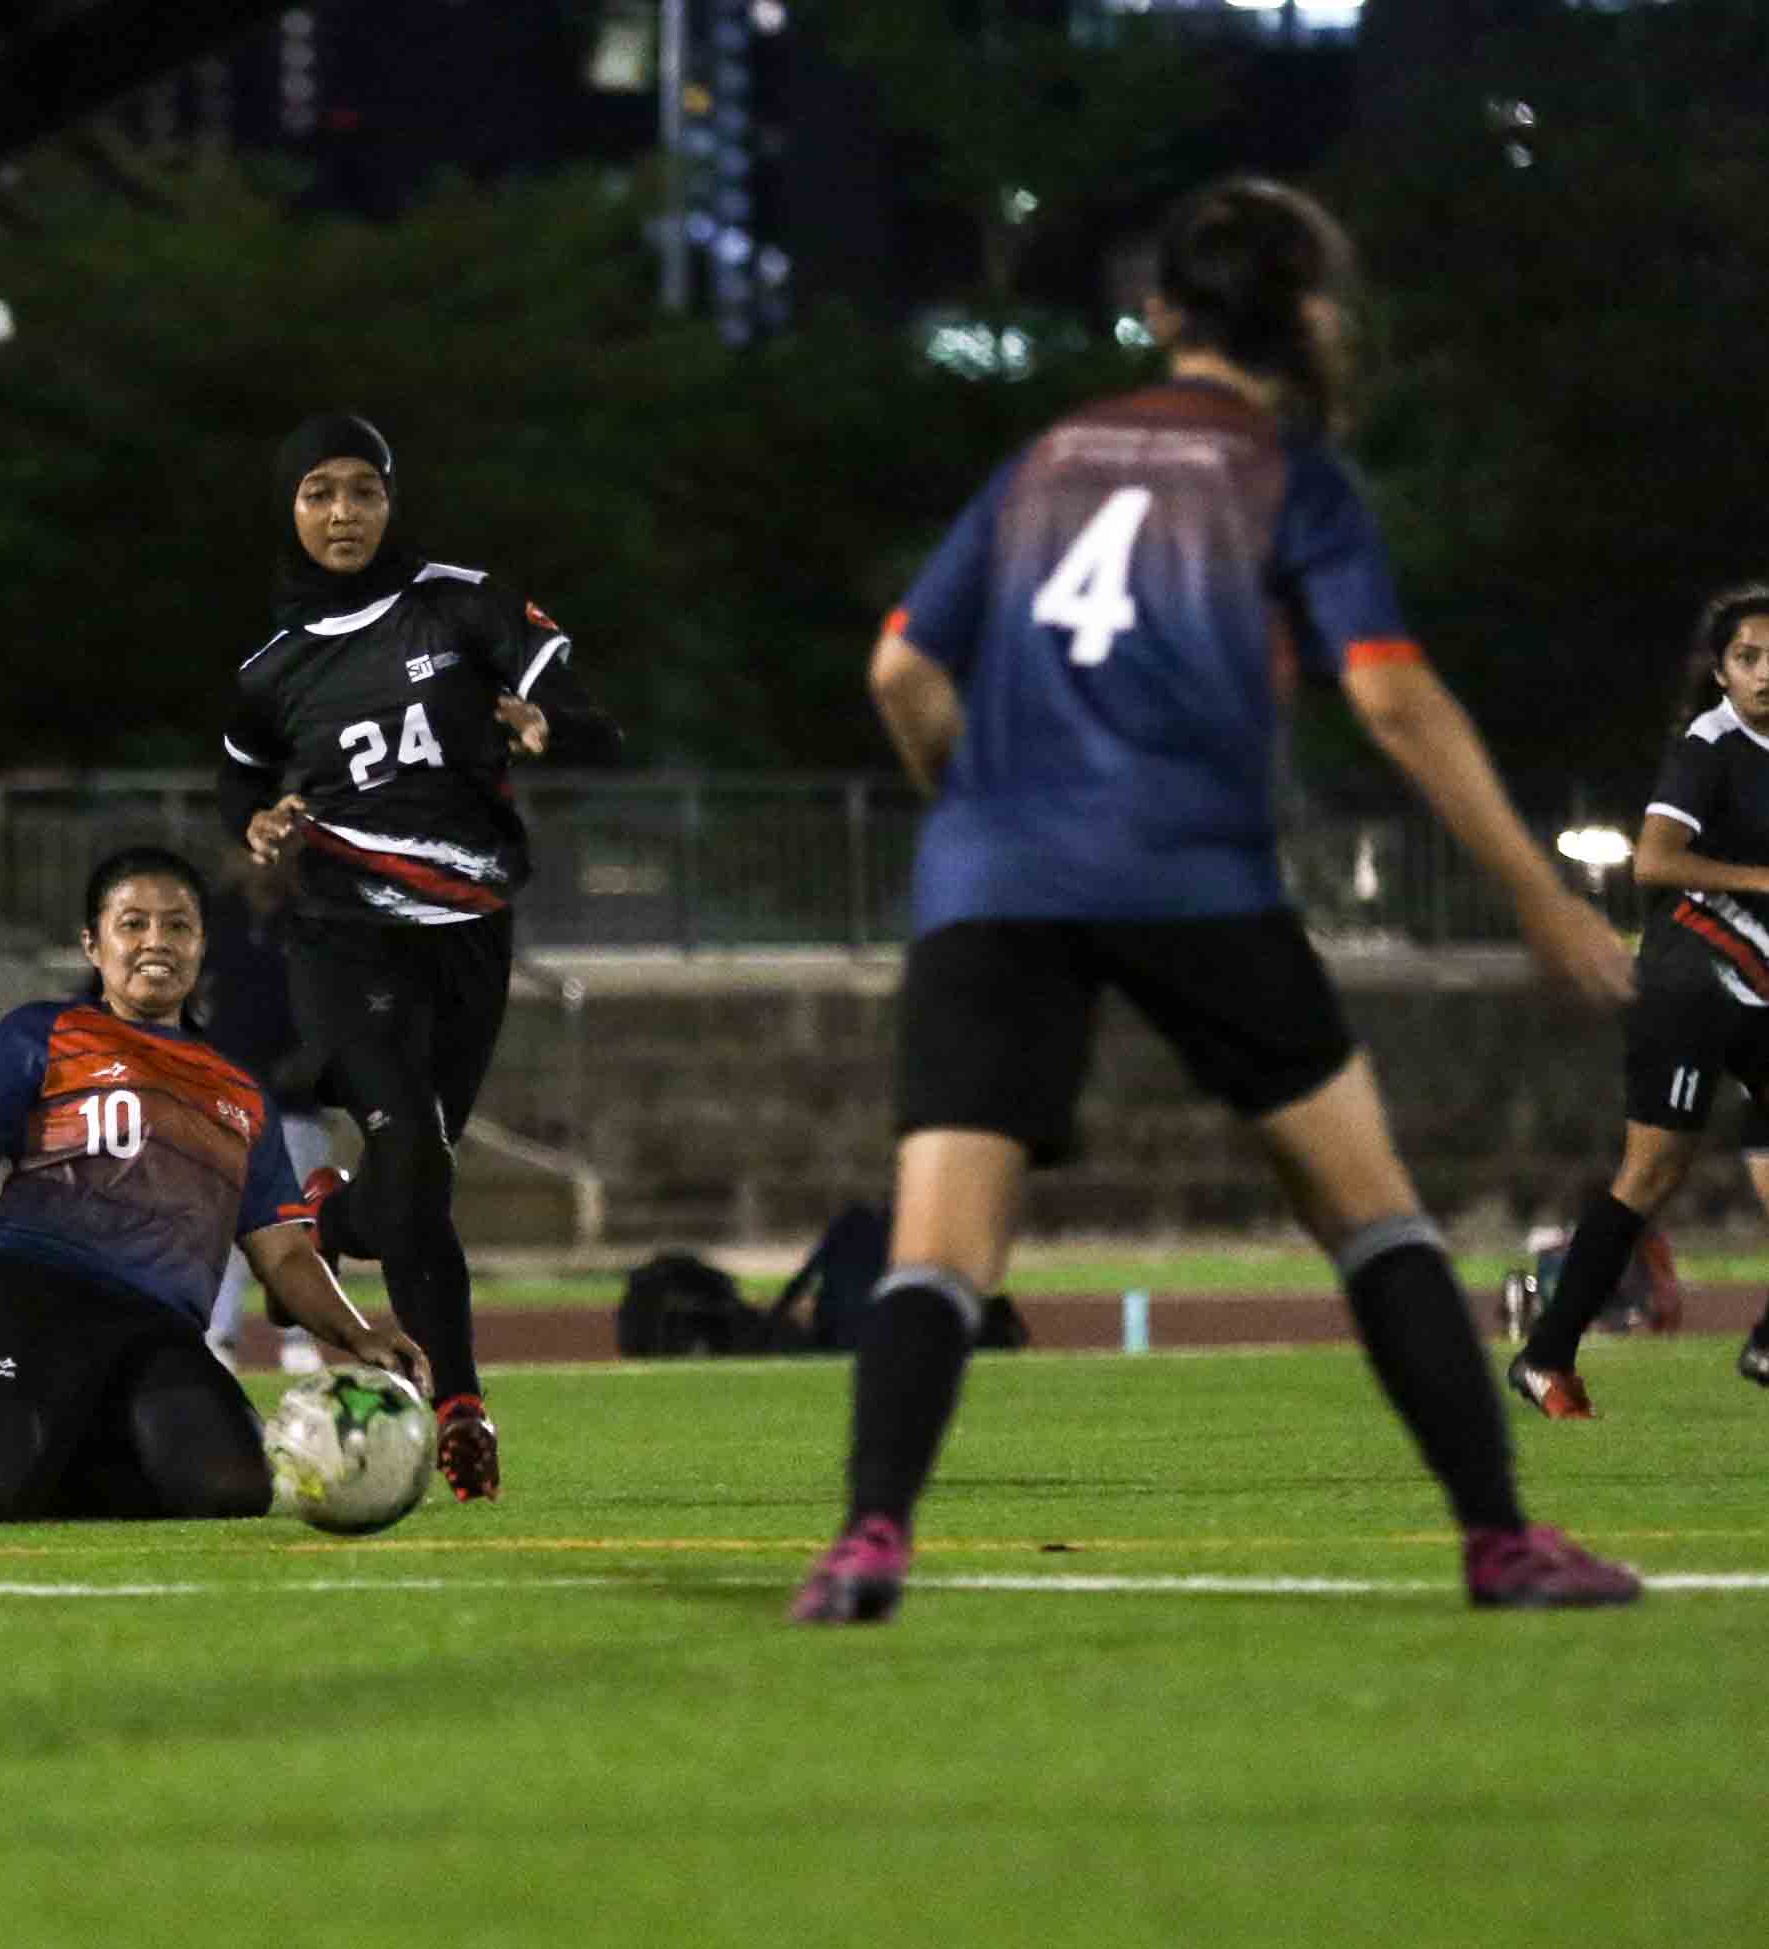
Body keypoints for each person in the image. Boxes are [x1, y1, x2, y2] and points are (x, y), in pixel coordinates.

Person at [791, 177, 1643, 1625]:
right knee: (1368, 1211)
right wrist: (1543, 897)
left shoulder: (1048, 455)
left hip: (995, 874)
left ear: (1165, 313)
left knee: (942, 1243)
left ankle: (869, 1537)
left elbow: (900, 673)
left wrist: (984, 809)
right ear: (1309, 316)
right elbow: (1392, 695)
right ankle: (1499, 1538)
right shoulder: (1286, 473)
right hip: (1189, 866)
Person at [216, 411, 622, 1502]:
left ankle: (325, 1216)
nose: (341, 512)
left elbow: (592, 723)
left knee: (416, 1177)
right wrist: (256, 826)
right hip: (342, 933)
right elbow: (238, 782)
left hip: (468, 932)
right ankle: (460, 1404)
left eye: (361, 489)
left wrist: (553, 728)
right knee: (408, 1137)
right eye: (317, 493)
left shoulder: (462, 599)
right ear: (287, 507)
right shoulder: (271, 663)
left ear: (391, 499)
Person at [0, 845, 423, 1525]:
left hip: (153, 1330)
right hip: (22, 1294)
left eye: (178, 926)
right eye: (133, 923)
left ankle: (39, 1458)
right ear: (93, 943)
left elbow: (286, 1254)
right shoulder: (44, 1032)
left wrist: (360, 1334)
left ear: (203, 944)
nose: (157, 941)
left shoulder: (242, 1094)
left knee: (231, 1487)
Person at [1509, 583, 1769, 1411]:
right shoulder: (1710, 744)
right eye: (1749, 658)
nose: (1766, 674)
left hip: (1759, 991)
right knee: (1653, 1171)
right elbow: (1654, 862)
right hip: (1691, 986)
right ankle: (1546, 1353)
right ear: (1721, 671)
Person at [196, 845, 331, 1376]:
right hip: (225, 1091)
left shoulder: (309, 920)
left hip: (294, 1096)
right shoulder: (214, 919)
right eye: (254, 853)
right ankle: (220, 1335)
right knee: (225, 1218)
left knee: (295, 1221)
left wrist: (314, 1060)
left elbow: (329, 1003)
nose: (264, 864)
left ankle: (298, 1333)